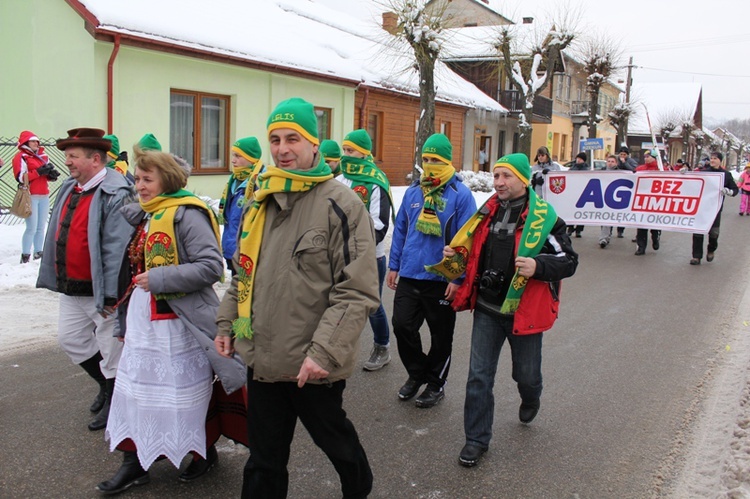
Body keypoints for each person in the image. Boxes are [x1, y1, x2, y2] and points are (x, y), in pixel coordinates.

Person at [215, 97, 379, 498]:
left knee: (337, 446)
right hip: (264, 361)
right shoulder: (262, 200)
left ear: (314, 145)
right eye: (274, 139)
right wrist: (230, 326)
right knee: (264, 461)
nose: (282, 148)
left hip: (313, 365)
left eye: (293, 138)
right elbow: (244, 276)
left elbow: (356, 291)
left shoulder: (342, 205)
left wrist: (322, 354)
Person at [97, 146, 246, 494]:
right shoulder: (144, 215)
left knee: (186, 392)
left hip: (179, 321)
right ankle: (135, 462)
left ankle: (202, 451)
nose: (140, 185)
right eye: (137, 178)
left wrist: (161, 279)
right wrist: (123, 322)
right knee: (137, 392)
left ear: (168, 180)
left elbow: (211, 267)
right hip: (144, 320)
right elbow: (131, 269)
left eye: (148, 179)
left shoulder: (187, 213)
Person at [429, 153, 578, 467]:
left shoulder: (545, 218)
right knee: (478, 378)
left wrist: (538, 265)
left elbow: (569, 260)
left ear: (523, 179)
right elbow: (471, 253)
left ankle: (531, 394)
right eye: (495, 176)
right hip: (487, 308)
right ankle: (476, 440)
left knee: (525, 374)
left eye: (505, 176)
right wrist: (454, 261)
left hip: (523, 312)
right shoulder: (486, 214)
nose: (498, 183)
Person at [36, 128, 135, 431]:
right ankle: (106, 387)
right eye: (67, 155)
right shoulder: (70, 187)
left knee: (110, 348)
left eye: (73, 156)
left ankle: (116, 401)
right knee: (72, 340)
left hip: (100, 290)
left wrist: (110, 294)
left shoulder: (115, 193)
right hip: (71, 287)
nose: (67, 161)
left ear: (95, 159)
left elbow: (116, 247)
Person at [387, 133, 477, 408]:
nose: (429, 164)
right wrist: (394, 265)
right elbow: (401, 229)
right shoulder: (414, 191)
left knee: (440, 337)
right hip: (411, 273)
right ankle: (417, 374)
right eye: (425, 159)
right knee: (402, 327)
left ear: (447, 160)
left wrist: (458, 278)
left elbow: (468, 238)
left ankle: (435, 384)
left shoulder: (460, 195)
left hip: (441, 278)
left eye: (435, 159)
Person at [339, 128, 393, 371]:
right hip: (339, 255)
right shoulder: (340, 180)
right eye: (344, 150)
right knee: (339, 302)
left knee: (372, 305)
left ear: (362, 153)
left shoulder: (376, 181)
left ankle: (382, 347)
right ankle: (337, 347)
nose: (346, 156)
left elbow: (380, 224)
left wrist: (355, 245)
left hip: (370, 257)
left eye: (350, 151)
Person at [12, 130, 60, 263]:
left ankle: (38, 252)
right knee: (31, 227)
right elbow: (21, 177)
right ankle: (25, 255)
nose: (36, 143)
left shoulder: (42, 156)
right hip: (30, 195)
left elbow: (44, 176)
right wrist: (38, 172)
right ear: (26, 142)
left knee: (41, 227)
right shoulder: (21, 157)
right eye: (33, 141)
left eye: (37, 141)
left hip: (44, 195)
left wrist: (51, 175)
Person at [219, 137, 264, 276]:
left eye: (238, 156)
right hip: (231, 249)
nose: (233, 160)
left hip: (248, 253)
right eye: (233, 155)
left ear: (251, 159)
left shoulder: (260, 182)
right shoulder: (233, 180)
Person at [690, 152, 738, 265]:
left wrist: (728, 191)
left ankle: (711, 249)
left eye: (715, 158)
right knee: (698, 232)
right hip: (701, 208)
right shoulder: (704, 172)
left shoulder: (726, 174)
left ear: (720, 161)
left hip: (715, 209)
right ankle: (696, 257)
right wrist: (684, 174)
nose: (712, 160)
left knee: (714, 233)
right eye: (711, 158)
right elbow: (692, 183)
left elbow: (735, 189)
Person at [634, 149, 662, 255]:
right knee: (641, 225)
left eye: (648, 156)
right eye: (645, 157)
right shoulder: (640, 169)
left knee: (654, 224)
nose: (646, 159)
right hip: (642, 201)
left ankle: (655, 238)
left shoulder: (661, 170)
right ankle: (641, 247)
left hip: (656, 201)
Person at [598, 155, 620, 248]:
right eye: (609, 161)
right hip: (602, 198)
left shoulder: (620, 172)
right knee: (604, 219)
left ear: (616, 163)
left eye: (612, 161)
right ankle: (604, 237)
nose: (610, 163)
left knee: (608, 218)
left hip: (614, 199)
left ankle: (605, 237)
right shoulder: (601, 172)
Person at [566, 152, 590, 238]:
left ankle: (579, 230)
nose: (578, 160)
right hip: (573, 192)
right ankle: (570, 228)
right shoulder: (572, 168)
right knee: (571, 210)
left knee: (581, 211)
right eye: (577, 158)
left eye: (580, 159)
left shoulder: (587, 170)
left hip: (583, 192)